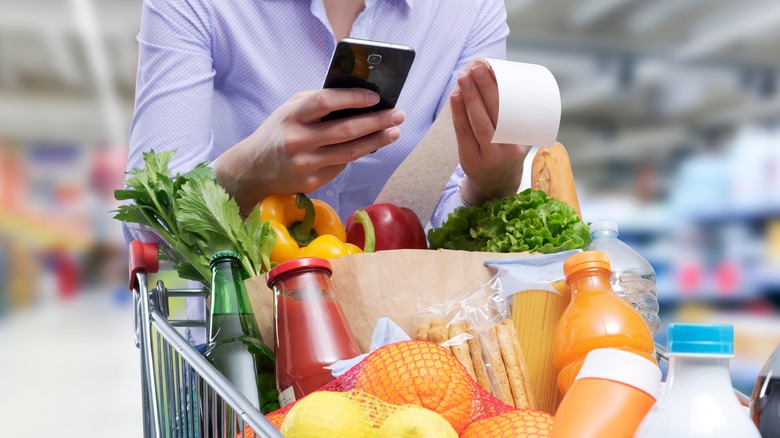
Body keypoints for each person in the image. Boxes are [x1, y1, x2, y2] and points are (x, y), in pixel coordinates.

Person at [126, 0, 532, 343]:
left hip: (399, 338)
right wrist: (247, 172)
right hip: (246, 340)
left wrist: (487, 185)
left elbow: (443, 214)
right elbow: (145, 221)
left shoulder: (468, 10)